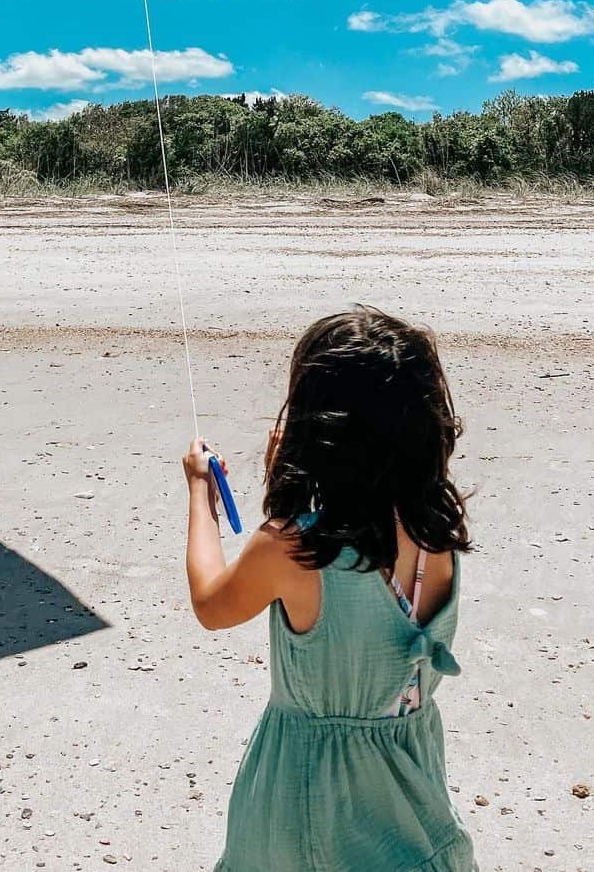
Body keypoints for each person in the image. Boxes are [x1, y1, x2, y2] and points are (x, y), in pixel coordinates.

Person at [184, 306, 477, 871]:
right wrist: (290, 498)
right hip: (410, 805)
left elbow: (211, 603)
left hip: (306, 806)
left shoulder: (291, 548)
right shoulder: (436, 533)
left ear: (314, 433)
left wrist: (201, 493)